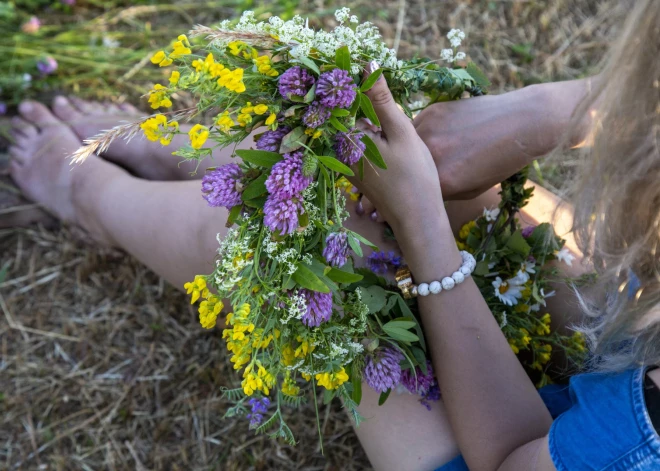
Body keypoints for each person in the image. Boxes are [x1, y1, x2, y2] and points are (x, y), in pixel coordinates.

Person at [3, 1, 657, 470]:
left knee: (310, 243)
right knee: (389, 172)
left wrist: (424, 229)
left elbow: (510, 458)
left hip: (537, 455)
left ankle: (93, 197)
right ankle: (203, 155)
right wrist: (562, 110)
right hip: (640, 356)